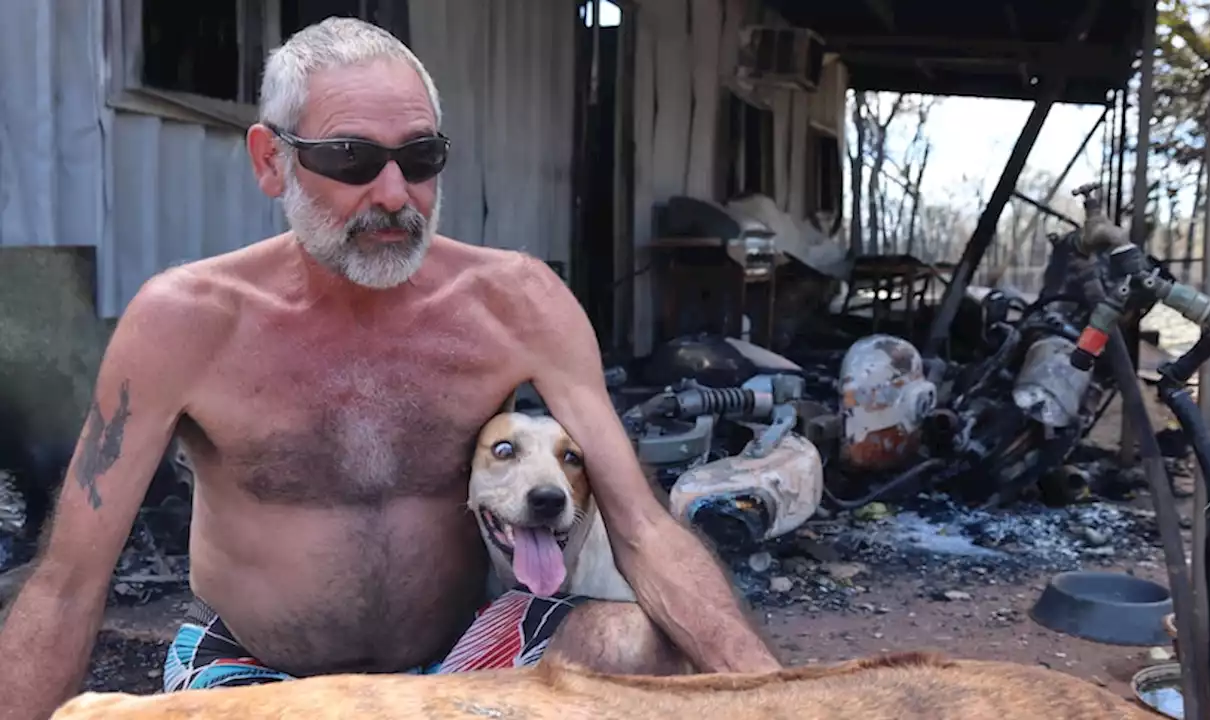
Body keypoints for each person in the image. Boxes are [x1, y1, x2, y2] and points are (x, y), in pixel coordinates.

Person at [0, 17, 780, 720]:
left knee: (648, 653)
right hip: (258, 676)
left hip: (468, 657)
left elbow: (642, 527)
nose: (394, 194)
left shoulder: (514, 301)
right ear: (272, 161)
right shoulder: (186, 321)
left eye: (420, 156)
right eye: (351, 158)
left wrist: (780, 700)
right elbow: (68, 583)